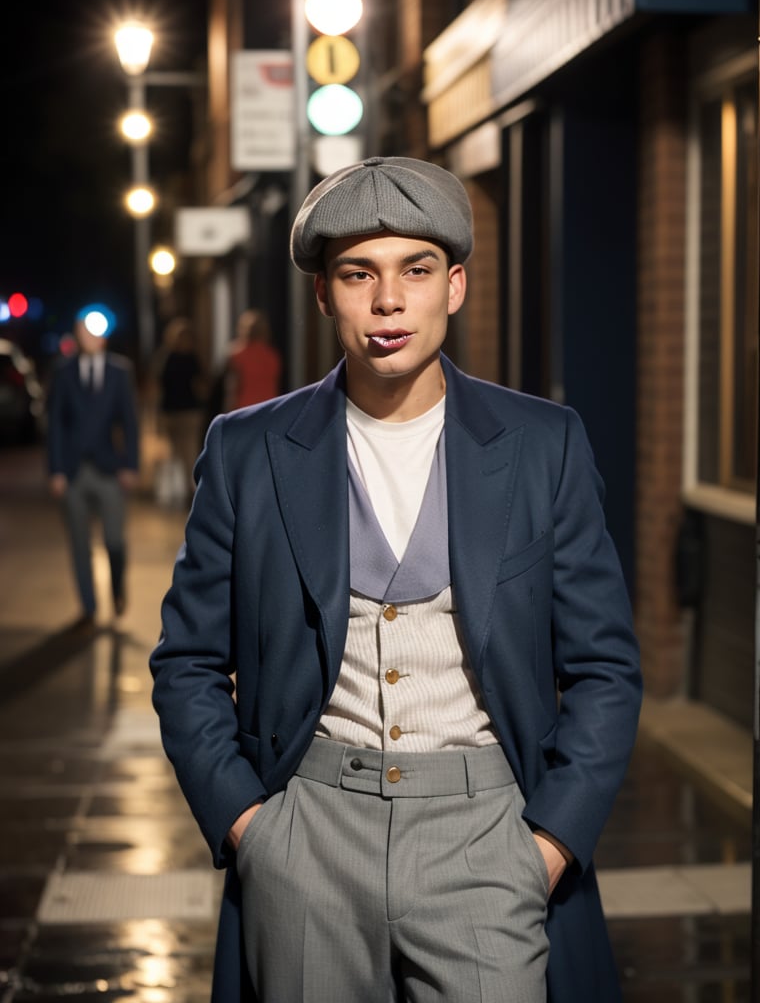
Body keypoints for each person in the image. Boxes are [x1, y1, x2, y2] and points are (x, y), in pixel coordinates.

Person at [150, 156, 642, 1003]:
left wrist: (548, 845)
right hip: (307, 837)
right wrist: (250, 827)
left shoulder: (542, 444)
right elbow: (186, 661)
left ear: (454, 285)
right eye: (358, 274)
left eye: (415, 270)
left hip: (488, 835)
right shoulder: (246, 449)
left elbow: (606, 666)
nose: (387, 302)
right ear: (323, 294)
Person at [47, 316, 140, 626]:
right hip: (73, 471)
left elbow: (129, 420)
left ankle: (117, 588)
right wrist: (56, 469)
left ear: (102, 338)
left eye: (91, 332)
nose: (85, 337)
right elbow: (56, 423)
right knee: (79, 543)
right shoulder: (63, 372)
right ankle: (88, 607)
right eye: (80, 331)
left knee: (114, 539)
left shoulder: (119, 371)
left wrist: (131, 464)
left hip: (109, 468)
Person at [154, 317, 205, 506]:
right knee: (177, 453)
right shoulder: (172, 358)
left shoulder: (176, 358)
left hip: (186, 411)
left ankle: (189, 491)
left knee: (187, 452)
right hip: (176, 411)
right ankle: (180, 491)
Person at [224, 308, 282, 410]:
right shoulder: (272, 355)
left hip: (244, 409)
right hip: (269, 407)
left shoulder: (236, 353)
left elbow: (232, 387)